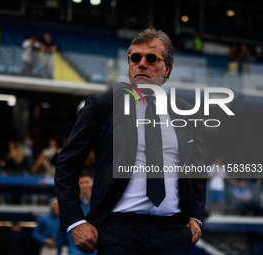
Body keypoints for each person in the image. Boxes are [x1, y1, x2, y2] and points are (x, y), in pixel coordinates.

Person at [55, 28, 206, 255]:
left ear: (168, 69)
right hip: (119, 232)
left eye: (152, 58)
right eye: (135, 58)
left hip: (174, 233)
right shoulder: (102, 106)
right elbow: (66, 165)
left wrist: (195, 217)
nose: (141, 63)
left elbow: (197, 170)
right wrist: (75, 221)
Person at [57, 172, 97, 255]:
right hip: (74, 250)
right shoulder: (70, 205)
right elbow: (62, 230)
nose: (84, 185)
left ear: (91, 183)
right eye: (81, 183)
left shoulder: (99, 203)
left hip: (96, 250)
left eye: (86, 182)